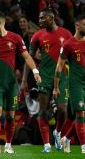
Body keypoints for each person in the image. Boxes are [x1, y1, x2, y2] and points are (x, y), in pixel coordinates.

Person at [0, 11, 41, 154]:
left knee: (11, 115)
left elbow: (26, 56)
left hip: (11, 83)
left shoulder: (15, 38)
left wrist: (35, 71)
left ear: (0, 23)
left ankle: (9, 144)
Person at [21, 8, 72, 153]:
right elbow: (28, 58)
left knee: (62, 110)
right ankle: (47, 144)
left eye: (43, 18)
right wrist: (24, 79)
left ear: (52, 18)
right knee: (42, 111)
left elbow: (74, 55)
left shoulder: (66, 34)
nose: (40, 21)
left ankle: (57, 132)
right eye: (39, 18)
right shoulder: (37, 36)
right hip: (44, 78)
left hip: (62, 77)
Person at [53, 14, 85, 154]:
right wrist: (56, 87)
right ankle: (84, 146)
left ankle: (66, 138)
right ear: (77, 25)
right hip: (75, 83)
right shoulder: (68, 44)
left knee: (82, 115)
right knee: (80, 113)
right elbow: (59, 67)